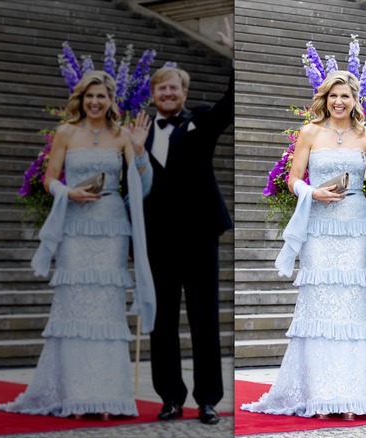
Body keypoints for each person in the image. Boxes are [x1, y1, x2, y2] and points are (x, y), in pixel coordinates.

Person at [240, 70, 366, 419]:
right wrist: (312, 192)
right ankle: (321, 396)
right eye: (332, 96)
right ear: (325, 99)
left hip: (355, 225)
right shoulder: (310, 132)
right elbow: (293, 178)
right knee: (319, 307)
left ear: (355, 99)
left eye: (345, 96)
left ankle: (351, 397)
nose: (338, 102)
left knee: (350, 309)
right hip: (318, 226)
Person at [0, 71, 155, 419]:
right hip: (74, 226)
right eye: (89, 96)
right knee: (75, 308)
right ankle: (77, 395)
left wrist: (141, 152)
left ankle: (107, 397)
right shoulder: (66, 132)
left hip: (112, 226)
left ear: (111, 100)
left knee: (107, 310)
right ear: (81, 99)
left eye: (101, 96)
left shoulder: (122, 135)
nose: (95, 102)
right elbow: (48, 177)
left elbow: (141, 188)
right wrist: (68, 192)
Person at [143, 18, 234, 425]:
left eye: (174, 87)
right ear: (153, 94)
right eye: (161, 87)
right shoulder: (138, 131)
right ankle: (170, 398)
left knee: (203, 319)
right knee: (161, 321)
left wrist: (234, 58)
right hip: (156, 237)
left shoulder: (200, 119)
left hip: (199, 235)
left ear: (184, 92)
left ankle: (208, 399)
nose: (168, 92)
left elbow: (228, 107)